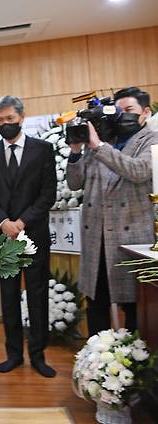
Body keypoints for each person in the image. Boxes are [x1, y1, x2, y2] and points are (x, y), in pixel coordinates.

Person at [66, 87, 158, 336]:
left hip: (131, 239)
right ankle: (97, 360)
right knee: (96, 303)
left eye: (129, 110)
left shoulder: (151, 139)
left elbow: (138, 171)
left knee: (135, 306)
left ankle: (133, 363)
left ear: (145, 112)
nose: (122, 116)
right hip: (97, 238)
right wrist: (76, 150)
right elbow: (75, 183)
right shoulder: (105, 138)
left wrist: (98, 146)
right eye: (118, 111)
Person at [0, 95, 57, 378]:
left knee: (38, 295)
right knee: (8, 295)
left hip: (33, 232)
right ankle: (13, 354)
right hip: (4, 237)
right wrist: (3, 222)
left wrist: (22, 222)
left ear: (21, 118)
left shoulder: (43, 149)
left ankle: (38, 355)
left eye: (9, 119)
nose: (4, 124)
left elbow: (48, 193)